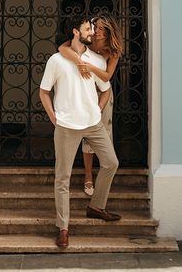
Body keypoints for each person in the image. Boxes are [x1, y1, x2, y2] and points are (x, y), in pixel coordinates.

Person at [39, 15, 121, 249]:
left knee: (111, 162)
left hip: (92, 123)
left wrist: (97, 109)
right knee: (62, 178)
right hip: (66, 125)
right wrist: (54, 118)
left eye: (94, 29)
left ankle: (96, 206)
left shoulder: (95, 59)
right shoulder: (57, 60)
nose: (93, 32)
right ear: (76, 32)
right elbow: (43, 92)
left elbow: (105, 89)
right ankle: (63, 227)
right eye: (88, 28)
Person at [58, 14, 123, 196]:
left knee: (101, 135)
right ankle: (88, 175)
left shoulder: (112, 51)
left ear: (108, 32)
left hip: (102, 93)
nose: (96, 30)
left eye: (100, 28)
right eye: (95, 26)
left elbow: (107, 77)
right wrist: (79, 61)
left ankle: (104, 177)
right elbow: (62, 48)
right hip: (84, 92)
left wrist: (90, 67)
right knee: (86, 137)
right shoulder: (88, 40)